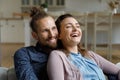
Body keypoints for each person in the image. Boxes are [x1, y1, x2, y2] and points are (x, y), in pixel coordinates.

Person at [47, 14, 120, 80]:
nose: (75, 29)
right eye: (68, 26)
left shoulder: (90, 55)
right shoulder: (57, 56)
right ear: (59, 35)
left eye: (77, 26)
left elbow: (118, 70)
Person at [14, 7, 58, 80]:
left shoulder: (65, 49)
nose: (52, 34)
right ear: (35, 35)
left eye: (54, 28)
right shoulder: (24, 54)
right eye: (45, 31)